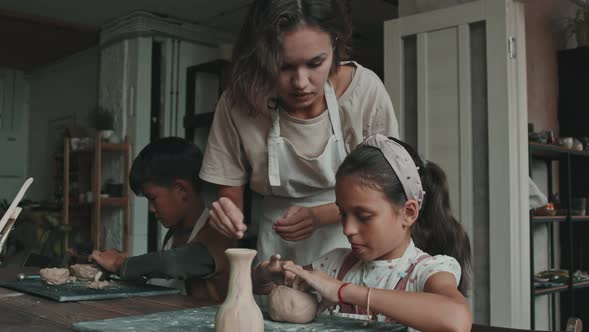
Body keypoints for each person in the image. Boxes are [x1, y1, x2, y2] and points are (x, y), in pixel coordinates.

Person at [200, 0, 399, 266]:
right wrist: (228, 212)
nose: (301, 83)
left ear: (335, 44)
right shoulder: (239, 102)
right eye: (284, 66)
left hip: (353, 238)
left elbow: (385, 190)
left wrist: (318, 216)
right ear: (261, 56)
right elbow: (230, 188)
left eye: (316, 63)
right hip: (277, 242)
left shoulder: (364, 92)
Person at [253, 134, 472, 332]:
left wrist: (342, 291)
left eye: (364, 216)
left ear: (408, 212)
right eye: (343, 214)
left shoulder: (426, 272)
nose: (347, 229)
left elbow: (457, 319)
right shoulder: (334, 265)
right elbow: (266, 287)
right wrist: (265, 275)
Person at [89, 137, 235, 303]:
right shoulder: (175, 233)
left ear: (182, 191)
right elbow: (163, 276)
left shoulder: (219, 232)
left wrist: (120, 264)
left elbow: (175, 263)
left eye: (153, 198)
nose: (151, 209)